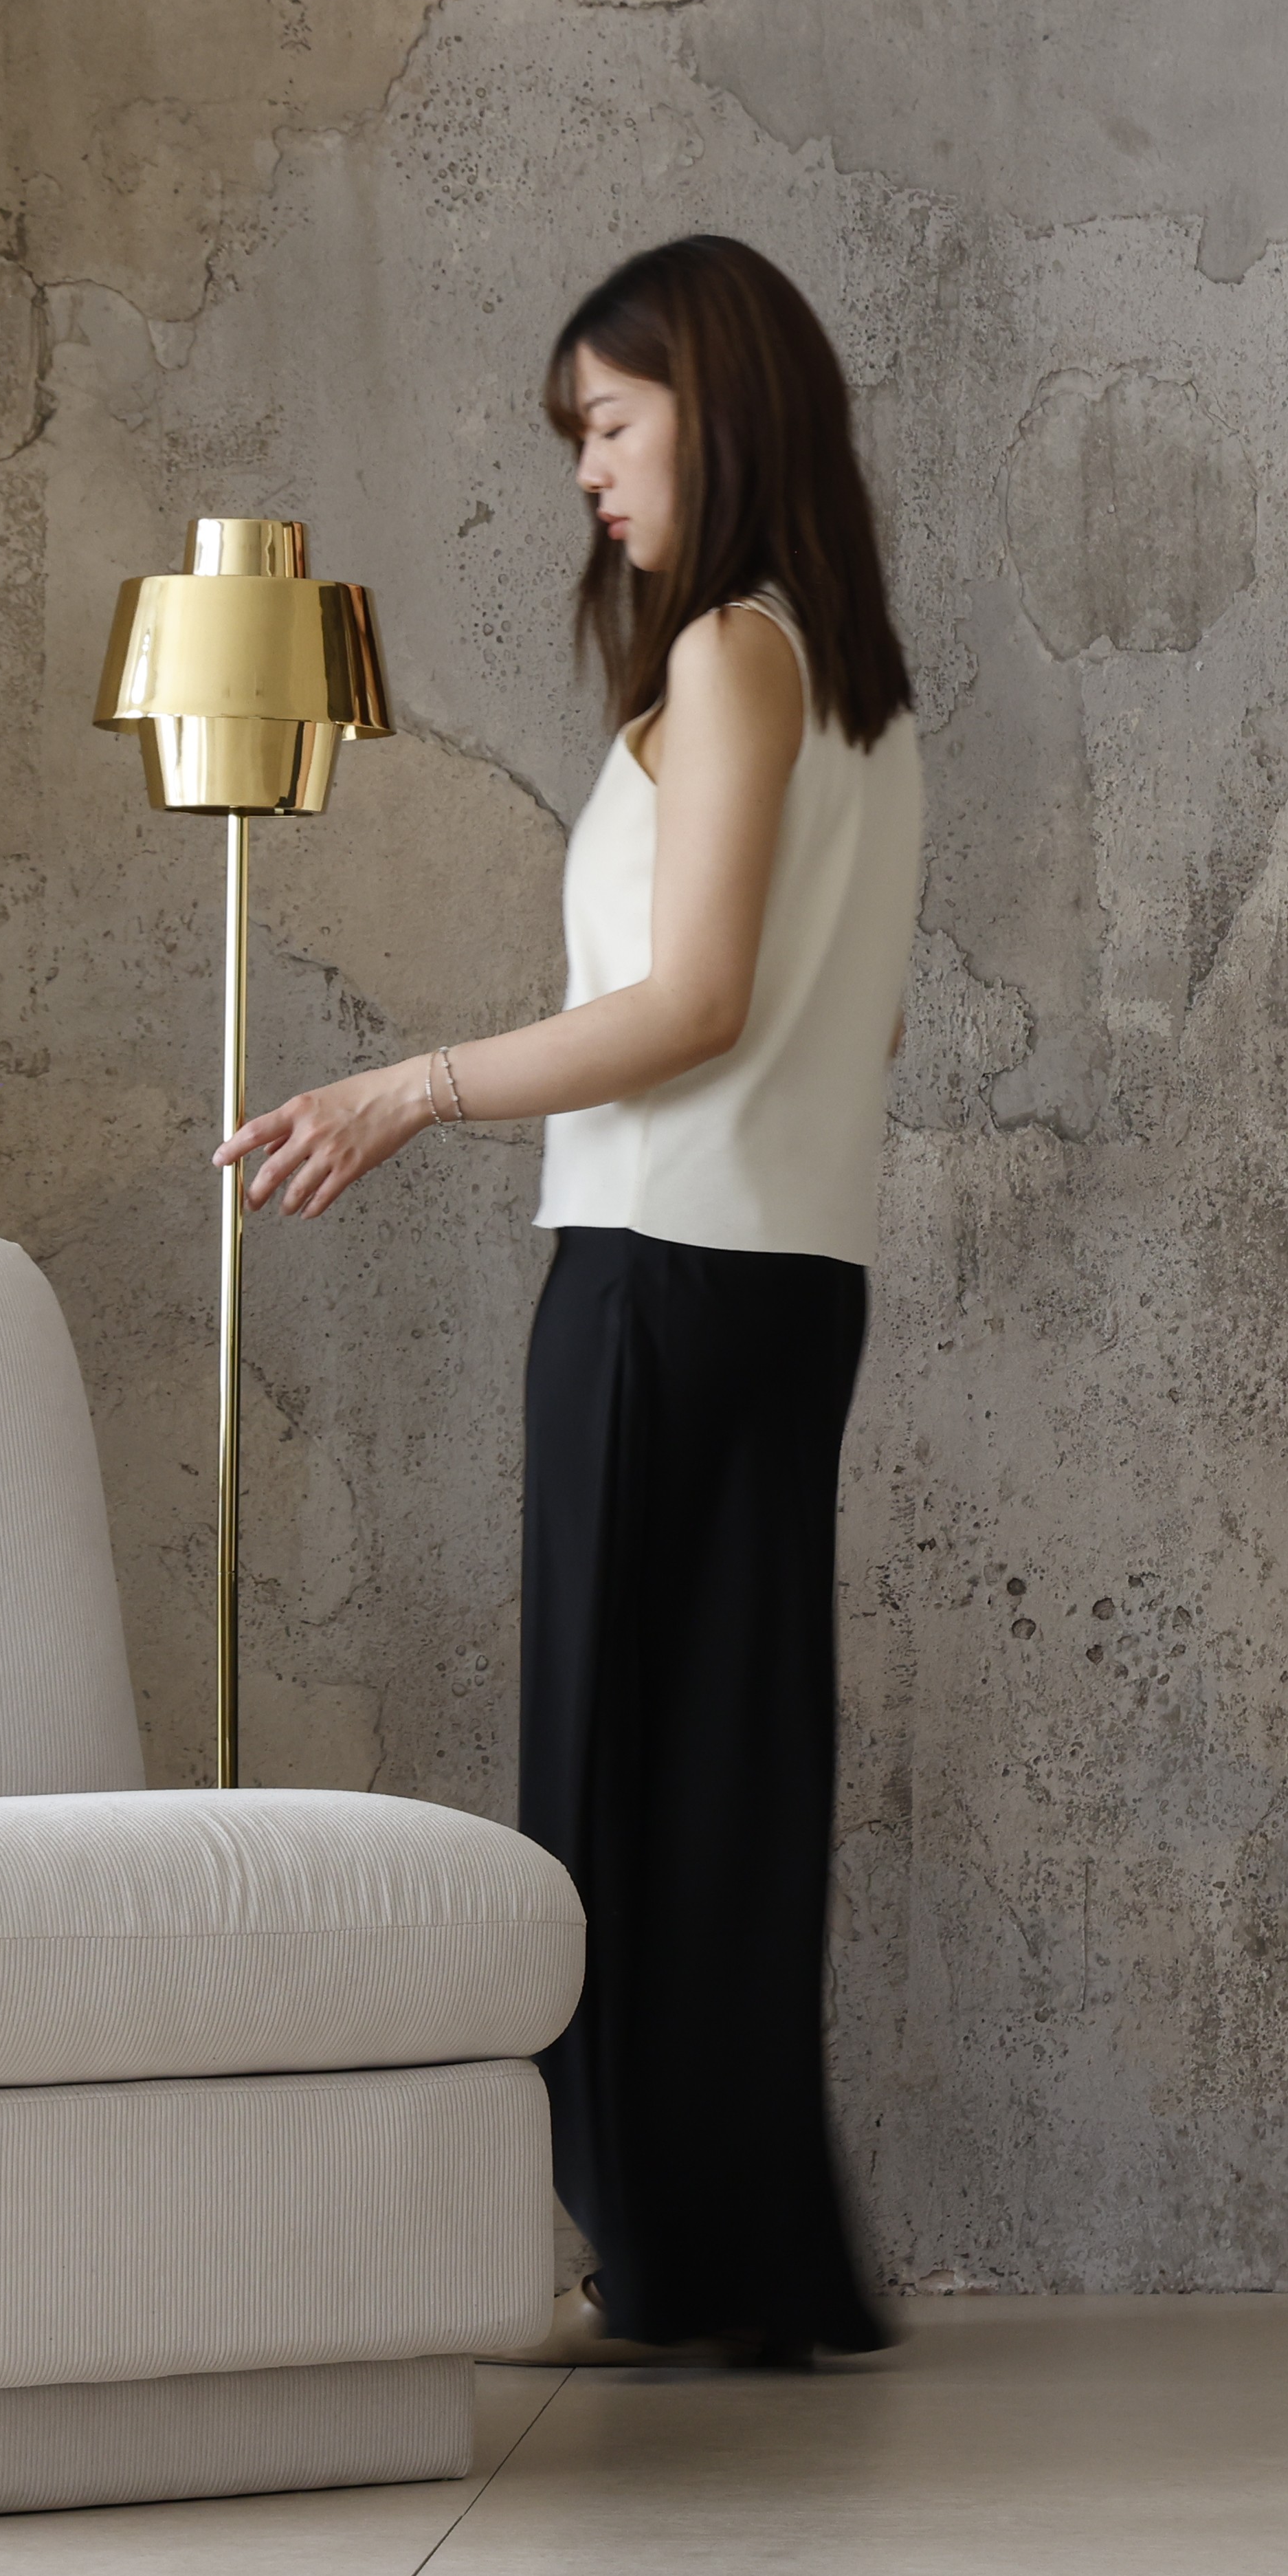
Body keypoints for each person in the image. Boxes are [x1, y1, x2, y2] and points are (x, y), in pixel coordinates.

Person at [223, 234, 922, 2369]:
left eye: (612, 426)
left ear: (718, 405)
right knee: (723, 1766)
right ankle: (737, 2253)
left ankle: (683, 2248)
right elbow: (825, 1032)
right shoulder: (854, 683)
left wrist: (414, 1088)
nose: (592, 477)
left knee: (623, 1772)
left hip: (660, 1262)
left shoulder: (730, 658)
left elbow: (690, 1003)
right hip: (786, 1270)